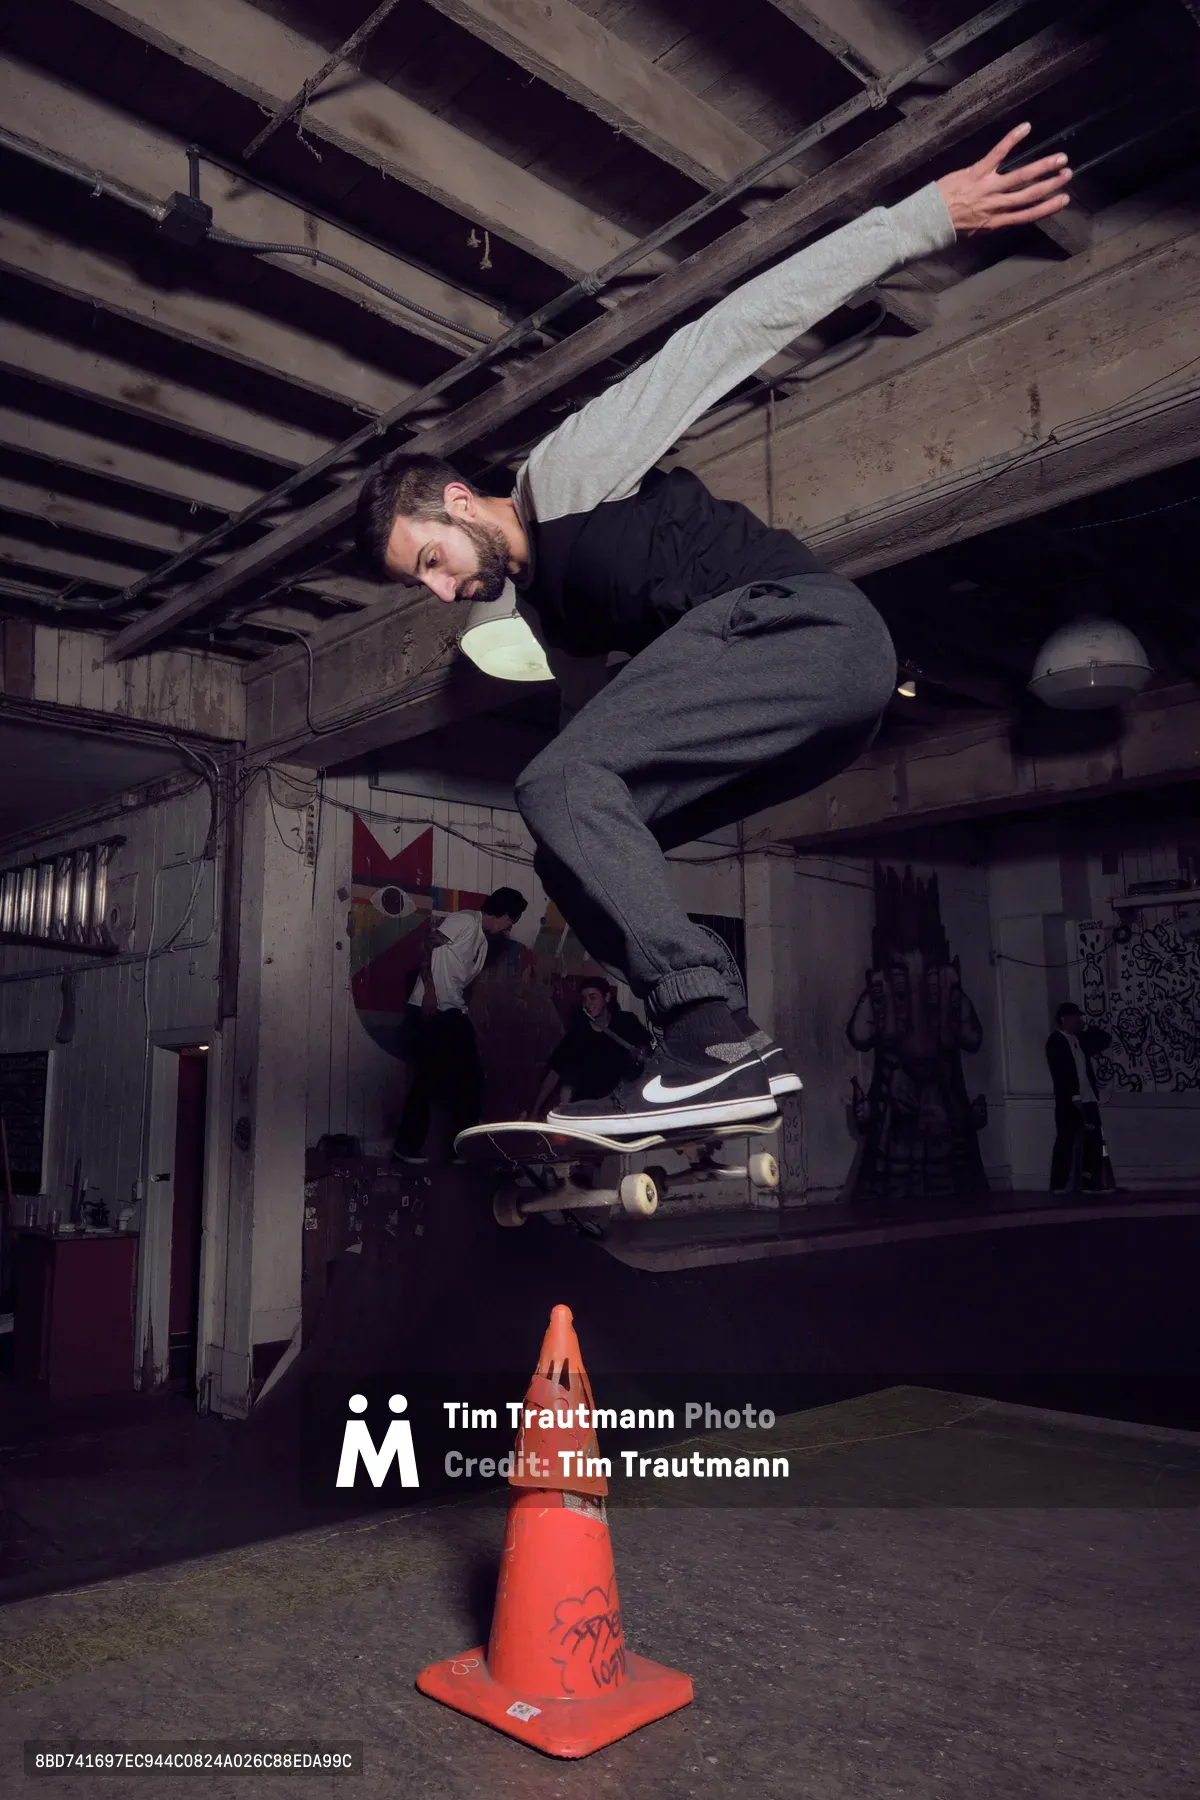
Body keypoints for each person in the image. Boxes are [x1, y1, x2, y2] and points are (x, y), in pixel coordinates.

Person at [358, 124, 1072, 1140]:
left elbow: (723, 337)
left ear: (463, 502)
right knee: (567, 835)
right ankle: (709, 1046)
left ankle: (709, 1026)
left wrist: (921, 221)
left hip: (807, 629)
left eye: (430, 560)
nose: (438, 591)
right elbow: (589, 767)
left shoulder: (564, 474)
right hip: (811, 707)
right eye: (418, 584)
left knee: (555, 785)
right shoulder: (554, 615)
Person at [393, 886, 527, 1162]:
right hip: (432, 1009)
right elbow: (427, 944)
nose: (510, 927)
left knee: (463, 1080)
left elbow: (456, 980)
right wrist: (430, 991)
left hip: (451, 1011)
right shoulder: (466, 921)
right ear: (502, 914)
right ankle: (410, 1147)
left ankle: (461, 1146)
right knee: (439, 1080)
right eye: (512, 920)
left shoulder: (483, 942)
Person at [529, 976, 652, 1119]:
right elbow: (554, 1073)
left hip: (621, 1106)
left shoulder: (627, 1022)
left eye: (593, 997)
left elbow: (647, 1049)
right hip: (588, 1109)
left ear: (607, 997)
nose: (588, 1003)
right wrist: (535, 1110)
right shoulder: (577, 1033)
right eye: (584, 998)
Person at [1045, 1003, 1112, 1194]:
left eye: (1079, 1018)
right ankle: (1059, 1183)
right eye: (1075, 1018)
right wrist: (1074, 1096)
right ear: (1064, 1019)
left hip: (1088, 1098)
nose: (1078, 1021)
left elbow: (1104, 1040)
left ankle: (1091, 1183)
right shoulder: (1055, 1041)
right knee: (1066, 1139)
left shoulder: (1080, 1039)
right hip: (1069, 1101)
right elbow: (1061, 1071)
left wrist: (1089, 1027)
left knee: (1094, 1140)